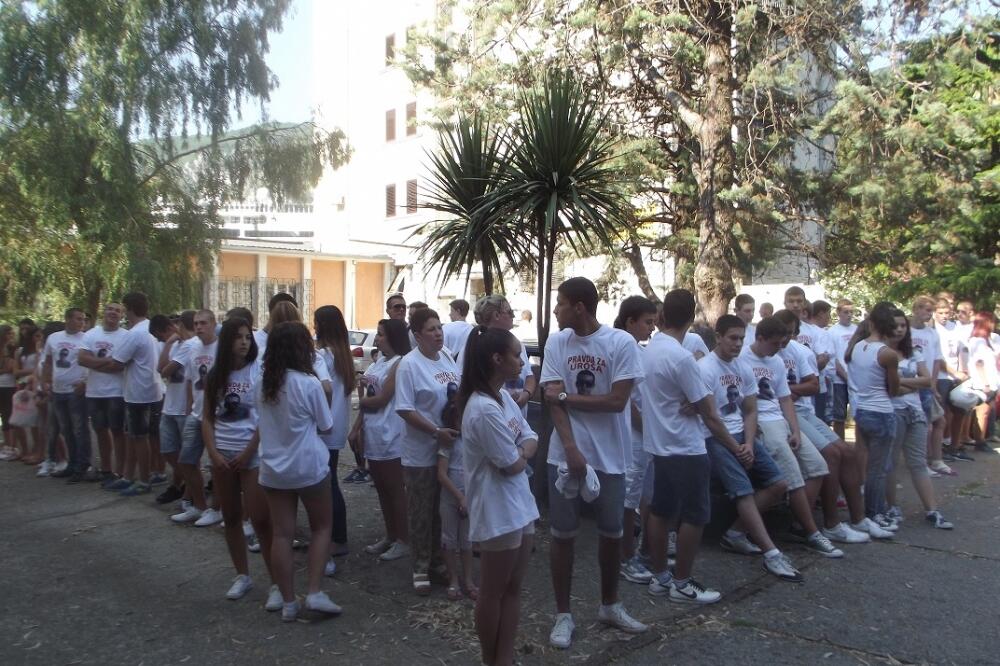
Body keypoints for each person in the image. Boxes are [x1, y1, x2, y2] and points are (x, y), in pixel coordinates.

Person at [540, 277, 647, 649]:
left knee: (612, 532)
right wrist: (570, 449)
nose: (556, 310)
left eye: (561, 303)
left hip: (612, 455)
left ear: (579, 307)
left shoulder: (621, 343)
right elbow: (550, 401)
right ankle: (563, 614)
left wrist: (566, 395)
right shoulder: (557, 342)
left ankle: (609, 604)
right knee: (562, 534)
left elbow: (617, 401)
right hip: (564, 455)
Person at [640, 290, 747, 605]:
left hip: (660, 445)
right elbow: (710, 414)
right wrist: (735, 448)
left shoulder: (650, 350)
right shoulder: (681, 356)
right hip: (686, 447)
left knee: (661, 511)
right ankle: (682, 583)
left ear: (660, 317)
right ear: (691, 317)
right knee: (696, 516)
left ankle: (660, 577)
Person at [699, 315, 802, 581]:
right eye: (732, 338)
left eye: (741, 339)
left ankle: (734, 533)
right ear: (718, 336)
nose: (737, 344)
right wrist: (736, 447)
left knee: (779, 484)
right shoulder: (705, 368)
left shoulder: (742, 367)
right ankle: (772, 554)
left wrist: (748, 443)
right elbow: (710, 418)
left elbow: (751, 409)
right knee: (743, 491)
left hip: (742, 436)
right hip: (716, 439)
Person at [459, 326, 539, 666]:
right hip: (497, 509)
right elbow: (510, 464)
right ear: (497, 359)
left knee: (513, 588)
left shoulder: (503, 397)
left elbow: (530, 435)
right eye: (517, 354)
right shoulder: (482, 408)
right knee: (492, 591)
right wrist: (521, 454)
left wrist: (521, 453)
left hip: (519, 504)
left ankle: (504, 656)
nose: (522, 361)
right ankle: (491, 658)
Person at [773, 310, 890, 542]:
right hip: (784, 414)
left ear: (796, 333)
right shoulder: (766, 353)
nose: (784, 339)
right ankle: (831, 523)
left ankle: (858, 518)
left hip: (802, 411)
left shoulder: (799, 351)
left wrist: (785, 390)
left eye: (789, 333)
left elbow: (813, 385)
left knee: (847, 451)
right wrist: (787, 391)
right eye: (781, 333)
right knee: (831, 454)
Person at [257, 321, 342, 621]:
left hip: (273, 468)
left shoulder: (263, 383)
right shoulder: (308, 384)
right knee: (321, 528)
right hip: (309, 467)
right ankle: (315, 591)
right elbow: (326, 426)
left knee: (281, 534)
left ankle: (288, 602)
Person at [740, 317, 844, 558]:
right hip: (764, 422)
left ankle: (797, 523)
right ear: (761, 338)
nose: (780, 348)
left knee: (818, 467)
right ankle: (811, 532)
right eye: (775, 343)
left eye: (783, 342)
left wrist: (795, 430)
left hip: (782, 419)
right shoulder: (743, 359)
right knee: (793, 477)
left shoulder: (776, 361)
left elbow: (785, 398)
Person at [201, 317, 279, 603]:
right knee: (231, 517)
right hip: (222, 455)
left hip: (252, 455)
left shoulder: (258, 372)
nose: (245, 342)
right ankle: (242, 575)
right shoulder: (215, 377)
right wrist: (214, 452)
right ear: (227, 342)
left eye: (248, 337)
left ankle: (276, 582)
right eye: (238, 337)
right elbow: (207, 418)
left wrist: (248, 451)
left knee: (261, 519)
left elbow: (264, 419)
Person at [395, 307, 461, 595]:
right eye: (431, 329)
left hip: (449, 450)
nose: (438, 334)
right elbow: (405, 409)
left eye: (439, 327)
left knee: (442, 510)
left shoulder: (446, 357)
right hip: (421, 451)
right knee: (421, 510)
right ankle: (420, 566)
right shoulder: (409, 365)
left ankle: (438, 560)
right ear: (417, 334)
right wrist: (435, 431)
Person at [883, 310, 954, 529]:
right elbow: (887, 387)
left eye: (903, 325)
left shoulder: (913, 352)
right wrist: (911, 382)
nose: (900, 329)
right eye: (895, 326)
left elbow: (926, 381)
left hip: (915, 412)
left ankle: (932, 509)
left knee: (918, 462)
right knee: (891, 463)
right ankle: (891, 507)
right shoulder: (883, 353)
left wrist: (902, 383)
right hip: (893, 413)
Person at [89, 293, 163, 496]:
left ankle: (144, 480)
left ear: (128, 309)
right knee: (133, 436)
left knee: (140, 437)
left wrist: (90, 362)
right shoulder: (148, 329)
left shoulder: (135, 334)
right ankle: (129, 476)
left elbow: (117, 363)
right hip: (146, 389)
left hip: (139, 392)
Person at [349, 318, 410, 561]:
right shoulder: (379, 362)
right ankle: (390, 535)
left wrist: (360, 401)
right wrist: (356, 427)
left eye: (382, 334)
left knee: (395, 489)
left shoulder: (400, 363)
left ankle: (404, 539)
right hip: (373, 433)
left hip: (391, 434)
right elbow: (367, 395)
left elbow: (383, 398)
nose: (377, 338)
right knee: (382, 489)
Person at [612, 296, 658, 584]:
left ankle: (637, 551)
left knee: (640, 495)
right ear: (631, 321)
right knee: (629, 497)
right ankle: (626, 557)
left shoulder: (635, 348)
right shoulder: (624, 346)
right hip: (633, 436)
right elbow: (627, 398)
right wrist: (645, 427)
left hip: (641, 434)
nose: (651, 329)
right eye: (648, 322)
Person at [847, 303, 902, 529]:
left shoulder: (858, 346)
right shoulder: (887, 354)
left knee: (869, 464)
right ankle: (874, 513)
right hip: (882, 411)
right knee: (878, 470)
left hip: (862, 409)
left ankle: (871, 512)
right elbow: (894, 388)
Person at [314, 305, 357, 573]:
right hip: (337, 427)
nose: (314, 327)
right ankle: (335, 536)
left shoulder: (323, 355)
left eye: (317, 323)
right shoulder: (343, 354)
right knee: (330, 483)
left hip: (325, 428)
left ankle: (337, 538)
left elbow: (322, 390)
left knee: (327, 486)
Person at [168, 310, 221, 524]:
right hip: (196, 414)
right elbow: (190, 380)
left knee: (216, 465)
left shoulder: (221, 348)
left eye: (204, 323)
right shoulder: (193, 348)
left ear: (213, 324)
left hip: (216, 416)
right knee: (186, 461)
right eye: (196, 323)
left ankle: (217, 508)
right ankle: (199, 506)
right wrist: (190, 406)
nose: (199, 327)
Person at [77, 303, 129, 483]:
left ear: (122, 315)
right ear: (103, 312)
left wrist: (96, 363)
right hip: (94, 392)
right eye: (110, 309)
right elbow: (82, 359)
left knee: (118, 431)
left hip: (117, 392)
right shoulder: (90, 334)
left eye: (117, 310)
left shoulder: (126, 336)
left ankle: (120, 470)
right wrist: (107, 362)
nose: (113, 312)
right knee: (100, 430)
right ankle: (106, 468)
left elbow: (120, 365)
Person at [41, 308, 90, 481]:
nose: (81, 323)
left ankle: (83, 465)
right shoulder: (54, 338)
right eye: (78, 319)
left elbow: (90, 363)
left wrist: (85, 382)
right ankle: (72, 462)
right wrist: (45, 381)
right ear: (67, 319)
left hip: (75, 390)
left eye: (83, 320)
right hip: (58, 390)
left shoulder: (86, 338)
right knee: (66, 429)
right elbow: (47, 361)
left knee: (80, 429)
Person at [908, 296, 951, 476]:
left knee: (937, 421)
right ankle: (922, 462)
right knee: (924, 424)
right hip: (911, 383)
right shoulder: (906, 331)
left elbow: (936, 359)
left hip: (927, 384)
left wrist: (932, 383)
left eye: (930, 310)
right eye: (926, 309)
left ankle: (936, 459)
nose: (929, 314)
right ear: (916, 309)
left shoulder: (932, 333)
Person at [155, 310, 195, 503]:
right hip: (169, 406)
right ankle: (186, 482)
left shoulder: (190, 346)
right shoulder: (175, 345)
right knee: (168, 449)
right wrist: (169, 343)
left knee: (185, 453)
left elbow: (167, 370)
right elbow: (159, 368)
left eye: (178, 324)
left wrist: (165, 366)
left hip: (183, 408)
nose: (174, 327)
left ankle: (183, 485)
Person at [475, 294, 537, 417]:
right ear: (496, 315)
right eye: (510, 312)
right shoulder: (476, 347)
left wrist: (526, 394)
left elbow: (529, 376)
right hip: (493, 416)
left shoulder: (516, 343)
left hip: (518, 419)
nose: (513, 316)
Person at [963, 312, 998, 453]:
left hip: (990, 380)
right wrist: (986, 384)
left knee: (985, 412)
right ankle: (979, 441)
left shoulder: (986, 340)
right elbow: (979, 363)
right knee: (982, 412)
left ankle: (980, 440)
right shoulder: (978, 341)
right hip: (982, 382)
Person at [11, 325, 43, 464]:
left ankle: (37, 450)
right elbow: (15, 371)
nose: (39, 339)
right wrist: (29, 371)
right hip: (21, 387)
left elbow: (39, 369)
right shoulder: (20, 351)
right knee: (18, 419)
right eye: (36, 336)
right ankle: (24, 449)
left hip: (33, 386)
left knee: (34, 421)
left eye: (41, 336)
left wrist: (30, 373)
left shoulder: (40, 352)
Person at [830, 299, 857, 440]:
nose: (849, 315)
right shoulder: (832, 332)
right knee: (839, 416)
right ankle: (841, 444)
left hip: (856, 379)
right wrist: (845, 376)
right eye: (846, 312)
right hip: (839, 380)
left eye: (851, 312)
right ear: (838, 313)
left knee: (858, 415)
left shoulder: (857, 330)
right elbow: (833, 358)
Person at [0, 326, 17, 459]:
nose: (11, 336)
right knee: (4, 416)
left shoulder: (14, 348)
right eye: (8, 333)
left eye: (12, 333)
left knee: (8, 415)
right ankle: (6, 444)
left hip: (9, 385)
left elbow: (12, 367)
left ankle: (11, 445)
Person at [442, 298, 474, 366]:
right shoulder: (473, 330)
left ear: (458, 311)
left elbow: (441, 350)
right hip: (468, 369)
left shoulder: (446, 328)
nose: (449, 314)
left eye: (451, 311)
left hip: (449, 368)